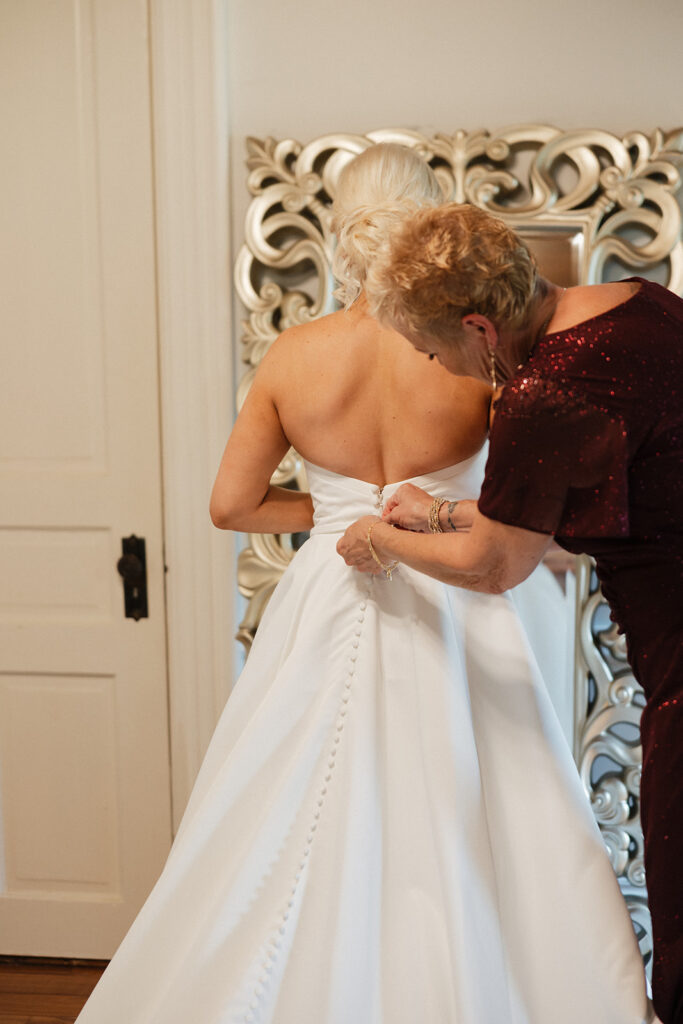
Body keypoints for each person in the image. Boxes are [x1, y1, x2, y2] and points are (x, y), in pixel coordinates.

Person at [74, 147, 649, 1024]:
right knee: (490, 808)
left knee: (292, 804)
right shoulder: (473, 350)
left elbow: (231, 507)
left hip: (331, 594)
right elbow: (539, 529)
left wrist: (345, 509)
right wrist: (425, 510)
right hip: (469, 596)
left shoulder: (293, 357)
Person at [338, 198, 682, 1024]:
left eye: (431, 349)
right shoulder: (641, 303)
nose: (435, 367)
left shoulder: (543, 390)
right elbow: (565, 522)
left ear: (477, 329)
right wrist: (436, 515)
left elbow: (497, 565)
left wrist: (378, 539)